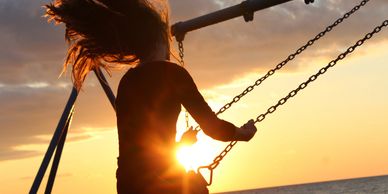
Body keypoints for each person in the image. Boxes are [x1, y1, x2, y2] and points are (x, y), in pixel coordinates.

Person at [45, 0, 257, 193]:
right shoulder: (172, 74)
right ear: (160, 39)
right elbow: (212, 128)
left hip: (129, 185)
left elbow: (142, 146)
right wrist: (242, 133)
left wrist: (181, 145)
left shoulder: (127, 82)